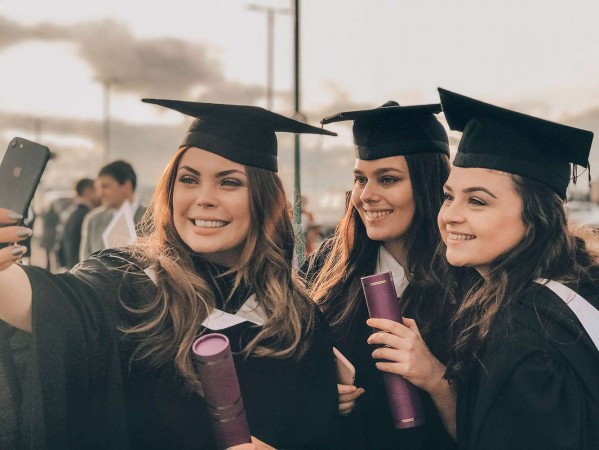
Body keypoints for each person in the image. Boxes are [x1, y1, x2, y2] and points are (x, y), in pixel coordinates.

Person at [0, 98, 340, 449]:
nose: (203, 198)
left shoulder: (299, 323)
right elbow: (43, 304)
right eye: (189, 179)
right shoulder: (127, 283)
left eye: (229, 183)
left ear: (264, 199)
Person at [437, 88, 599, 450]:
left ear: (534, 218)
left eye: (477, 201)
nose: (450, 215)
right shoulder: (579, 283)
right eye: (449, 196)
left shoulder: (525, 338)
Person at [303, 101, 456, 449]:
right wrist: (319, 395)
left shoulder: (467, 280)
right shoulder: (328, 267)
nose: (367, 196)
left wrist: (434, 376)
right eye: (360, 179)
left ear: (428, 184)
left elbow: (494, 427)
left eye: (387, 179)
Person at [79, 160, 146, 260]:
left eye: (105, 186)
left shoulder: (153, 219)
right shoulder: (94, 220)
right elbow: (83, 264)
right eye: (99, 188)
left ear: (126, 186)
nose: (100, 194)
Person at [58, 178, 99, 269]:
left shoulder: (71, 212)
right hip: (82, 270)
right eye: (97, 189)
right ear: (88, 191)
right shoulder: (87, 216)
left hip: (72, 269)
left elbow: (61, 245)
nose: (100, 194)